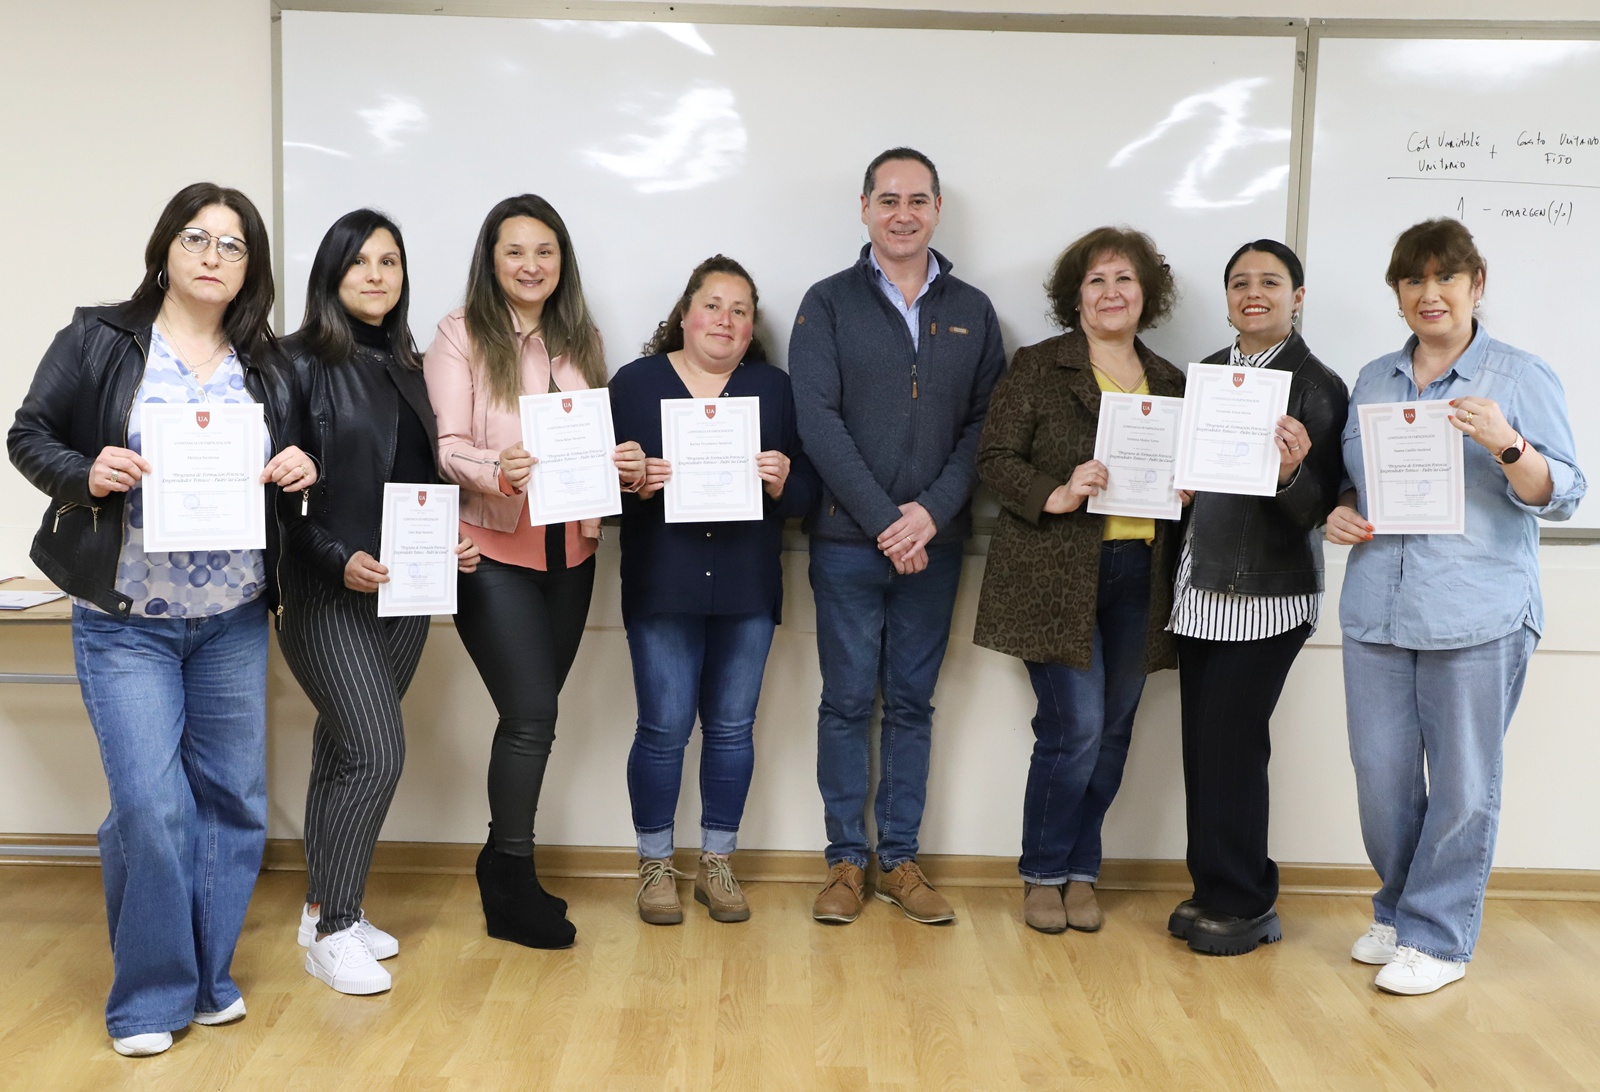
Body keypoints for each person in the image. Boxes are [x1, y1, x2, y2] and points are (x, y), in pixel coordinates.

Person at [7, 183, 316, 1056]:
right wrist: (84, 471)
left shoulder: (269, 363)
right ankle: (149, 997)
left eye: (233, 245)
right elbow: (29, 434)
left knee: (233, 804)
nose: (213, 256)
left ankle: (209, 979)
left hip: (231, 617)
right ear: (166, 249)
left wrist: (299, 464)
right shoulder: (100, 338)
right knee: (149, 807)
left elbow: (296, 461)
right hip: (127, 617)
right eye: (196, 238)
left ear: (249, 266)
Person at [1326, 218, 1584, 994]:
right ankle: (1401, 909)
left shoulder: (1518, 374)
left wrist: (1509, 443)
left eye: (1446, 278)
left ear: (1477, 285)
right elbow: (1355, 478)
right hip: (1378, 605)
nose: (1429, 293)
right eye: (1413, 280)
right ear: (1398, 295)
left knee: (1465, 783)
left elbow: (1563, 493)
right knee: (1382, 777)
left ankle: (1437, 939)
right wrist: (1338, 507)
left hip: (1480, 609)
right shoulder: (1372, 378)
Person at [790, 148, 1006, 925]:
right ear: (864, 207)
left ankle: (901, 861)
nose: (903, 213)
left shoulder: (974, 311)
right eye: (889, 200)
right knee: (847, 703)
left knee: (912, 705)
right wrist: (888, 520)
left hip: (935, 547)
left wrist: (930, 514)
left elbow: (987, 427)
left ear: (938, 209)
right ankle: (846, 863)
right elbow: (817, 423)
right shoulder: (827, 303)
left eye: (918, 200)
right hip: (850, 544)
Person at [424, 194, 644, 949]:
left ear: (561, 261)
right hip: (491, 553)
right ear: (492, 258)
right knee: (532, 717)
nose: (530, 265)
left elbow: (596, 439)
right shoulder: (460, 334)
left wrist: (621, 462)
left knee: (535, 719)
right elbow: (446, 445)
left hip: (572, 552)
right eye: (515, 251)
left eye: (545, 251)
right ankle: (511, 872)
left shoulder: (579, 335)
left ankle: (500, 860)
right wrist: (498, 465)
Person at [279, 210, 480, 994]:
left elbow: (421, 482)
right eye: (357, 261)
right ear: (330, 273)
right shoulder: (292, 363)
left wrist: (451, 540)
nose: (374, 274)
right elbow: (282, 493)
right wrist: (339, 561)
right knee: (377, 751)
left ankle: (326, 905)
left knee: (342, 748)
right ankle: (334, 935)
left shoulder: (410, 364)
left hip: (406, 594)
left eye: (389, 261)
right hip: (328, 591)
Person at [973, 226, 1185, 935]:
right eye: (1096, 281)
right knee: (1077, 727)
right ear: (1076, 296)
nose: (1111, 293)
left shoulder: (1175, 382)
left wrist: (1190, 491)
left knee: (1115, 730)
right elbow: (994, 458)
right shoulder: (1039, 366)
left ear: (1146, 294)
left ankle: (1081, 870)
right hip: (1054, 574)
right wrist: (1056, 491)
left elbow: (1205, 478)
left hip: (1142, 574)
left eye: (1124, 279)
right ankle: (1042, 871)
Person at [608, 255, 819, 925]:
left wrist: (784, 477)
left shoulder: (773, 388)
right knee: (664, 728)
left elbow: (808, 494)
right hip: (662, 582)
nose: (724, 320)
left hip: (745, 586)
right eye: (712, 305)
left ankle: (717, 863)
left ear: (751, 326)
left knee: (731, 730)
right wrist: (631, 478)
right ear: (685, 312)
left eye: (740, 310)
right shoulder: (635, 384)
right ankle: (656, 866)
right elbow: (597, 489)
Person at [1165, 241, 1349, 956]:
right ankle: (1213, 885)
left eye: (1271, 282)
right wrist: (1176, 484)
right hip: (1199, 589)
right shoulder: (1208, 374)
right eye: (1241, 282)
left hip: (1266, 599)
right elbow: (1193, 480)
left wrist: (1294, 468)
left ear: (1297, 296)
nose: (1255, 293)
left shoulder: (1318, 386)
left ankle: (1245, 900)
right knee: (1202, 750)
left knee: (1233, 748)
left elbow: (1319, 510)